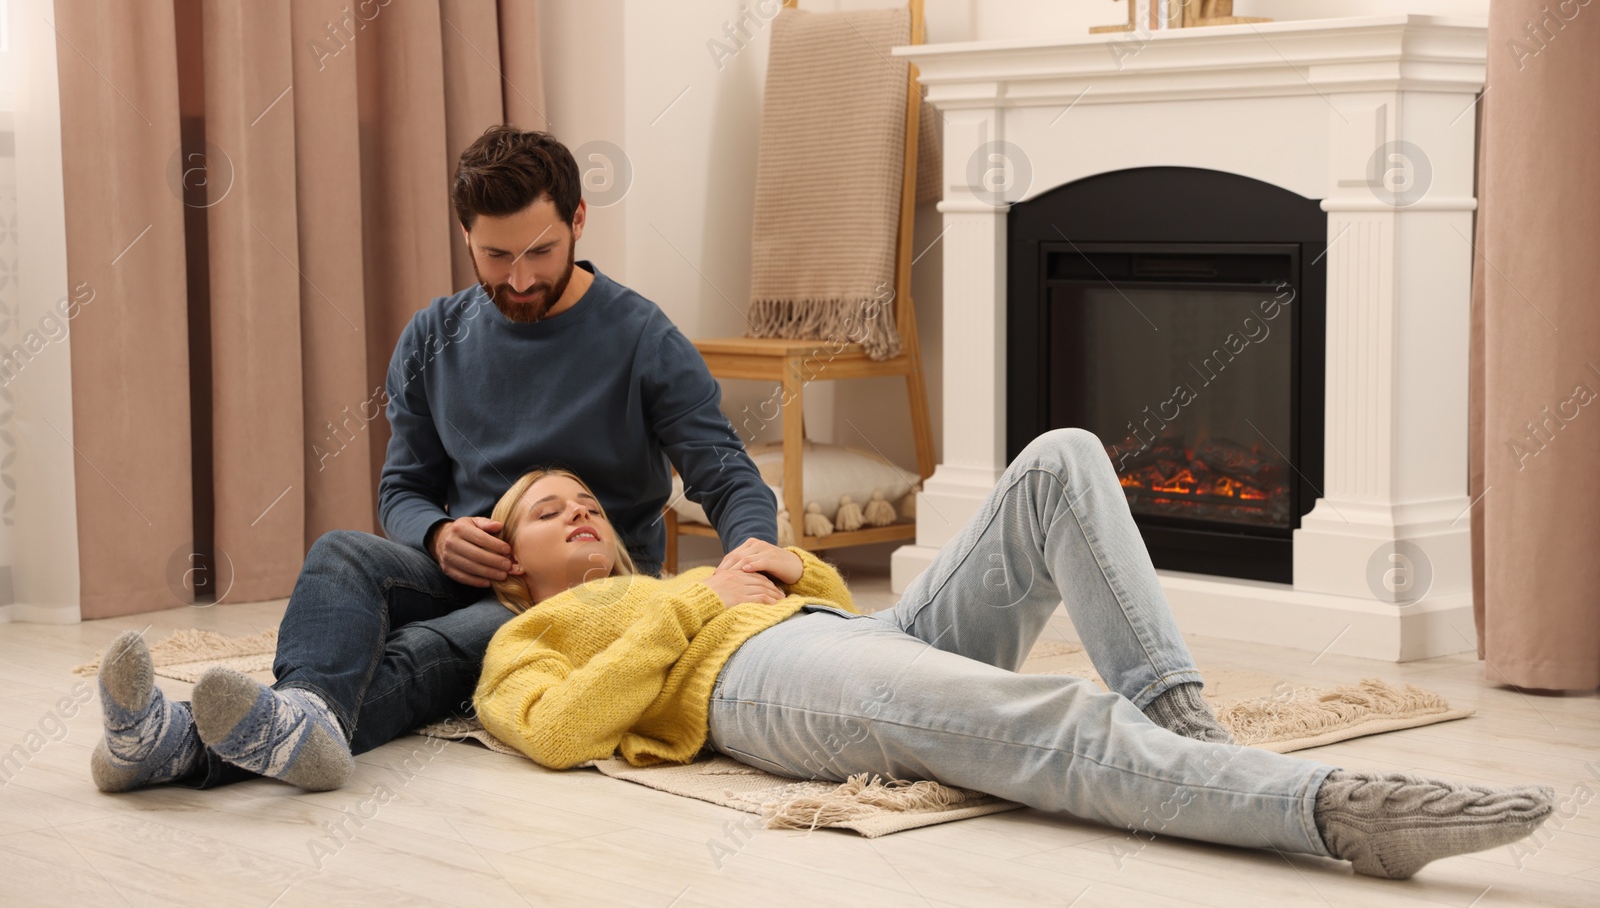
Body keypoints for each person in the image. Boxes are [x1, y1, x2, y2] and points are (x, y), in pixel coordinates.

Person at [470, 428, 1555, 881]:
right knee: (1041, 715)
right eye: (542, 511)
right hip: (757, 691)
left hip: (841, 639)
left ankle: (1182, 726)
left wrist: (795, 575)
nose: (574, 512)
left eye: (582, 503)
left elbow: (846, 614)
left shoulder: (676, 580)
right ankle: (1320, 808)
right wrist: (690, 606)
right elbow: (563, 730)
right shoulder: (525, 634)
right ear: (509, 562)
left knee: (1059, 459)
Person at [88, 127, 779, 794]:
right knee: (342, 551)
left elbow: (724, 473)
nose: (519, 278)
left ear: (579, 219)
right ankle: (301, 714)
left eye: (540, 252)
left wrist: (752, 560)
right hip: (469, 564)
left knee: (428, 652)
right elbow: (403, 490)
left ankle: (177, 745)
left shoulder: (642, 338)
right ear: (466, 237)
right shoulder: (432, 337)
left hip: (583, 591)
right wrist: (439, 535)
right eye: (495, 255)